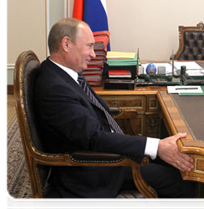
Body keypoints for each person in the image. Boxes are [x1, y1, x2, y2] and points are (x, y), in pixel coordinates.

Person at [34, 18, 195, 209]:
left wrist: (155, 147)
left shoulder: (65, 74)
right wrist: (157, 146)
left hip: (105, 151)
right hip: (93, 169)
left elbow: (94, 123)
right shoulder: (55, 88)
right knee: (181, 183)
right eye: (89, 46)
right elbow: (94, 138)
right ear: (66, 43)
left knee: (179, 162)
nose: (94, 54)